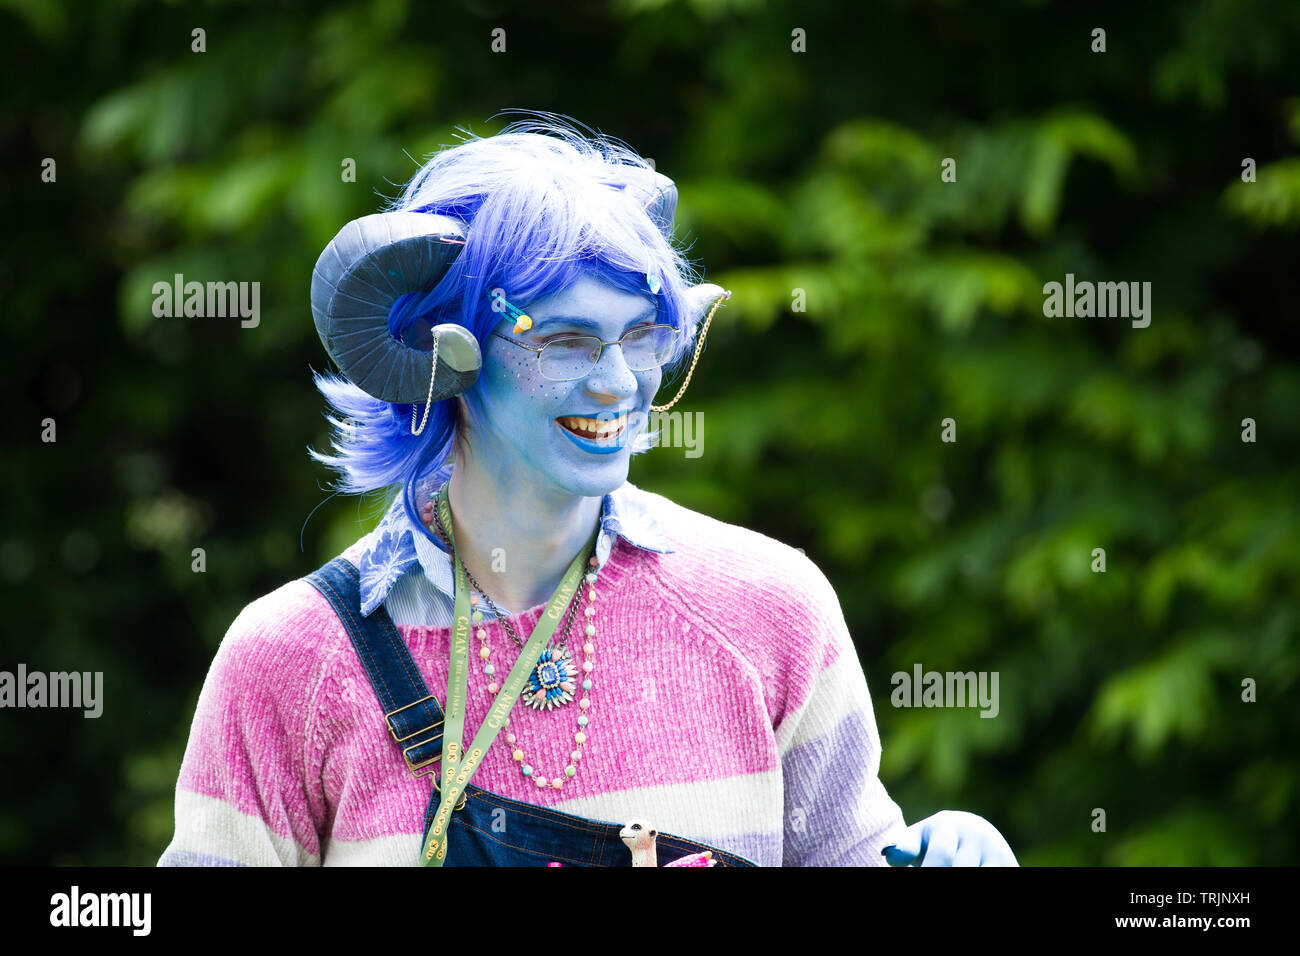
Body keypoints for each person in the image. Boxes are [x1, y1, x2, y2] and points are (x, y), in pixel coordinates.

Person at [158, 117, 1017, 867]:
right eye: (567, 341)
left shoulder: (771, 611)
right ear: (448, 354)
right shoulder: (294, 660)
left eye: (641, 336)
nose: (618, 384)